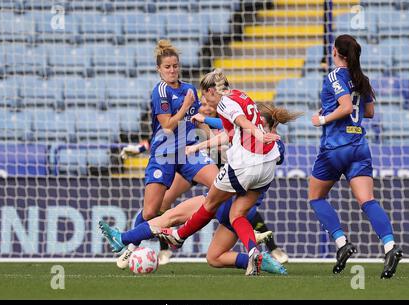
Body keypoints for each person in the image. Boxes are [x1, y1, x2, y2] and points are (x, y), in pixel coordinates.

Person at [156, 69, 295, 276]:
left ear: (212, 90)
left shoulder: (224, 103)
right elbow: (231, 134)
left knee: (209, 202)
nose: (204, 99)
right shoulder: (241, 95)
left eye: (205, 94)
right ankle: (253, 252)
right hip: (267, 166)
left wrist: (258, 133)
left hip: (245, 164)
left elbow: (242, 123)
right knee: (237, 214)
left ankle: (179, 235)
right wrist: (198, 147)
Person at [309, 34, 403, 279]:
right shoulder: (362, 78)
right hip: (359, 147)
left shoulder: (333, 76)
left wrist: (322, 119)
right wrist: (334, 108)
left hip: (336, 147)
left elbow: (346, 107)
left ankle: (341, 243)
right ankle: (390, 246)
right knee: (367, 200)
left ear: (336, 52)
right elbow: (368, 112)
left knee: (316, 197)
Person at [122, 39, 220, 264]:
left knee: (220, 185)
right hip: (164, 153)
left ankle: (180, 228)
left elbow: (196, 121)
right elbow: (167, 125)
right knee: (150, 212)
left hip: (188, 152)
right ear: (159, 69)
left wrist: (212, 138)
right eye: (167, 67)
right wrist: (184, 107)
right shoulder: (160, 91)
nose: (172, 70)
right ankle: (131, 246)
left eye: (175, 65)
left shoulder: (189, 89)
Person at [192, 99, 294, 264]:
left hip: (248, 188)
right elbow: (230, 124)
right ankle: (261, 250)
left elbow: (278, 155)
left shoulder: (274, 143)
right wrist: (205, 120)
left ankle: (269, 247)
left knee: (237, 212)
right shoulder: (244, 130)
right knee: (224, 215)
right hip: (235, 182)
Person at [99, 193, 286, 275]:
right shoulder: (269, 147)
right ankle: (260, 261)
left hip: (221, 201)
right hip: (239, 209)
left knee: (169, 218)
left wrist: (198, 145)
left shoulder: (243, 137)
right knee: (214, 258)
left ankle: (122, 239)